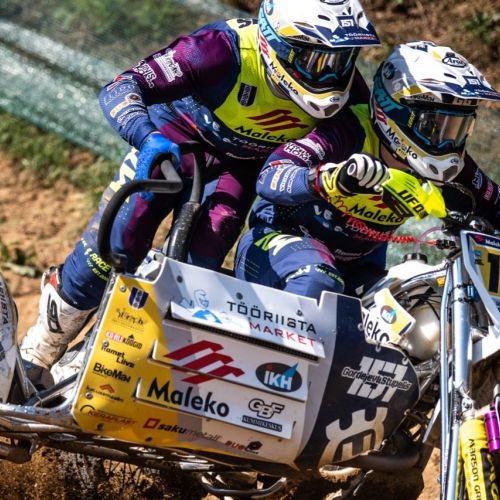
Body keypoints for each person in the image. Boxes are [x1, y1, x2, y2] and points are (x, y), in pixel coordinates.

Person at [20, 0, 381, 378]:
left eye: (343, 59)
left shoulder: (353, 95)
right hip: (171, 140)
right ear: (276, 43)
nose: (331, 74)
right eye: (316, 59)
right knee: (116, 243)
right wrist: (146, 137)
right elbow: (122, 86)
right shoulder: (219, 49)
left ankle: (97, 360)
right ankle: (39, 350)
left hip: (237, 167)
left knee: (196, 270)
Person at [234, 41, 500, 300]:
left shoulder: (454, 170)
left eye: (457, 129)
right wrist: (329, 179)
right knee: (318, 280)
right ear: (396, 111)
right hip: (277, 242)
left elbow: (495, 206)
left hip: (358, 271)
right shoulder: (347, 130)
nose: (446, 143)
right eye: (435, 126)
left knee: (424, 300)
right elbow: (270, 176)